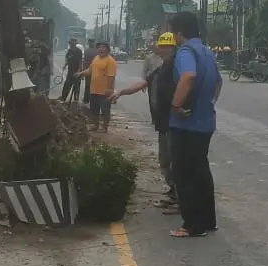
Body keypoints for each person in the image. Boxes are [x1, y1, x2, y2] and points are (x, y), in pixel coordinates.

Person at [167, 12, 222, 238]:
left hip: (186, 125)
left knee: (183, 173)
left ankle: (192, 225)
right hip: (205, 121)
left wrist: (176, 105)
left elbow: (188, 76)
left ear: (179, 32)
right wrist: (207, 103)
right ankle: (208, 221)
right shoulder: (207, 52)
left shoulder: (186, 52)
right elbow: (218, 82)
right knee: (201, 171)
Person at [113, 32, 178, 208]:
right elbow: (142, 83)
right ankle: (173, 191)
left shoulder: (180, 65)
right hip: (161, 119)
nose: (164, 49)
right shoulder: (158, 66)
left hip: (176, 121)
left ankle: (180, 198)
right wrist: (121, 92)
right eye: (162, 46)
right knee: (164, 159)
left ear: (174, 46)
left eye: (168, 46)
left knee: (174, 159)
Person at [78, 40, 117, 132]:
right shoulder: (96, 58)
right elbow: (90, 70)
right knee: (94, 109)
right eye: (99, 47)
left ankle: (104, 127)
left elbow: (111, 77)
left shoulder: (110, 61)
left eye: (103, 47)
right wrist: (81, 73)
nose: (101, 49)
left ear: (108, 49)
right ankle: (95, 125)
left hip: (104, 91)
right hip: (94, 89)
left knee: (105, 110)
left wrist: (108, 89)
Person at [82, 39, 96, 104]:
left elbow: (85, 62)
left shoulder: (86, 51)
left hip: (89, 70)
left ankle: (86, 99)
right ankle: (92, 99)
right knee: (93, 85)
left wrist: (83, 71)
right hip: (95, 71)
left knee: (87, 85)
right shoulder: (97, 51)